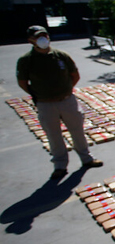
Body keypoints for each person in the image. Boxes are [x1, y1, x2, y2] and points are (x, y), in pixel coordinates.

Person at [16, 25, 103, 180]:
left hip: (67, 100)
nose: (43, 39)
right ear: (30, 40)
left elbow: (75, 75)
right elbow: (22, 82)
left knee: (77, 131)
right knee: (53, 135)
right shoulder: (26, 60)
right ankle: (60, 166)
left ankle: (87, 159)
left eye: (44, 35)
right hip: (45, 104)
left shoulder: (61, 55)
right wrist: (38, 95)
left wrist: (66, 91)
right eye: (38, 36)